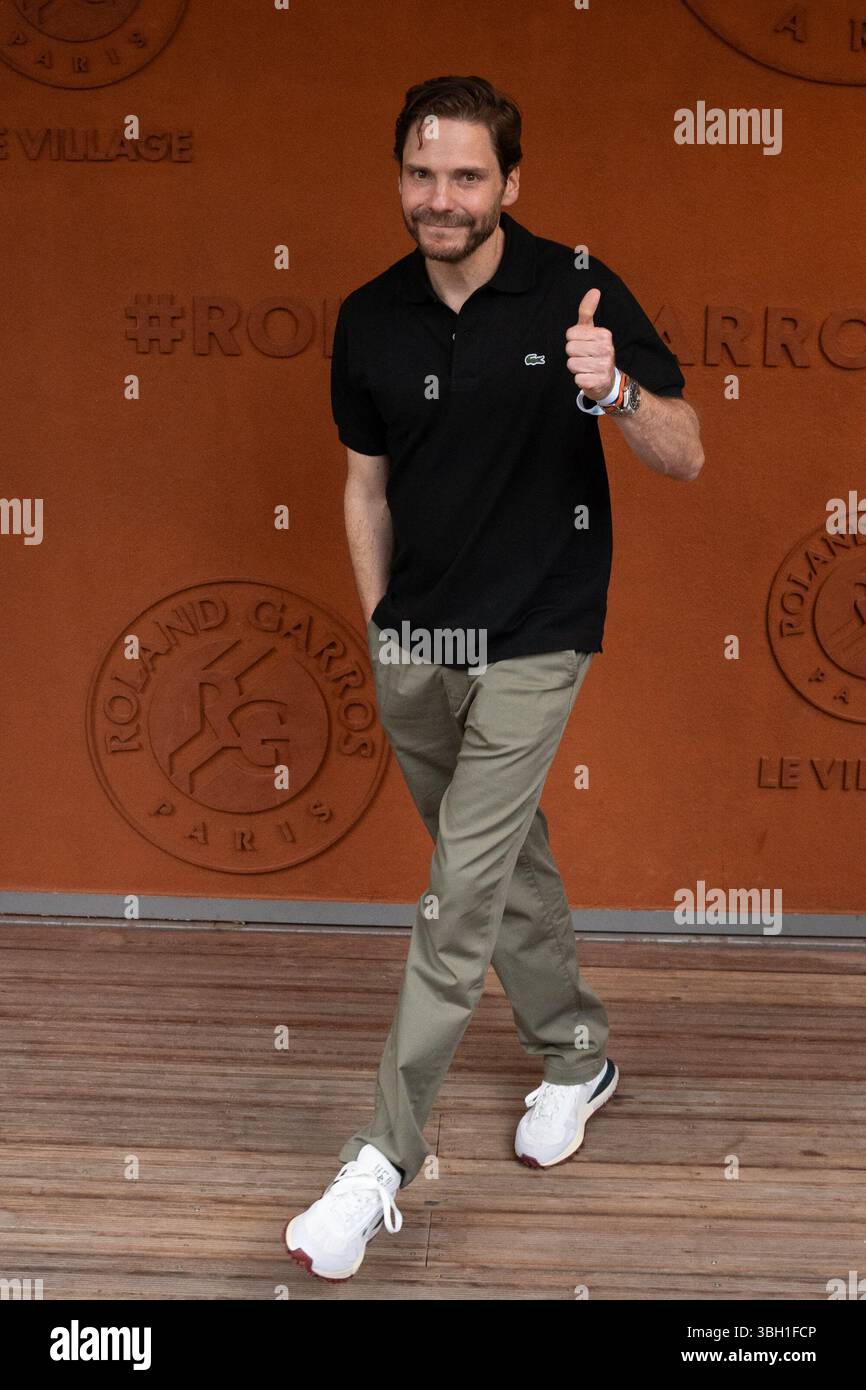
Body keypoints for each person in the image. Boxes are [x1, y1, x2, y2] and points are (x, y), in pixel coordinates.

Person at [284, 74, 704, 1282]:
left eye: (467, 176)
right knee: (503, 858)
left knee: (457, 893)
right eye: (421, 175)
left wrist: (611, 388)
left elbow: (684, 449)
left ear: (509, 184)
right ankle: (576, 1053)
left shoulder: (576, 287)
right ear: (399, 180)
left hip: (536, 633)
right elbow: (363, 486)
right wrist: (380, 631)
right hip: (420, 644)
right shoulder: (369, 318)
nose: (441, 198)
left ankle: (378, 1160)